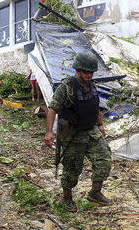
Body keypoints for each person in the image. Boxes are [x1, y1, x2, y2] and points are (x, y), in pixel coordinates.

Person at [44, 52, 112, 212]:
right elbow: (53, 109)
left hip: (91, 131)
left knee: (104, 160)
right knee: (73, 169)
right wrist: (49, 132)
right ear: (78, 70)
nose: (89, 75)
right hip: (73, 135)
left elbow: (95, 106)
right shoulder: (66, 87)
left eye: (91, 72)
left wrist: (100, 124)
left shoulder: (91, 85)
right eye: (86, 72)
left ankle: (95, 193)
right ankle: (67, 197)